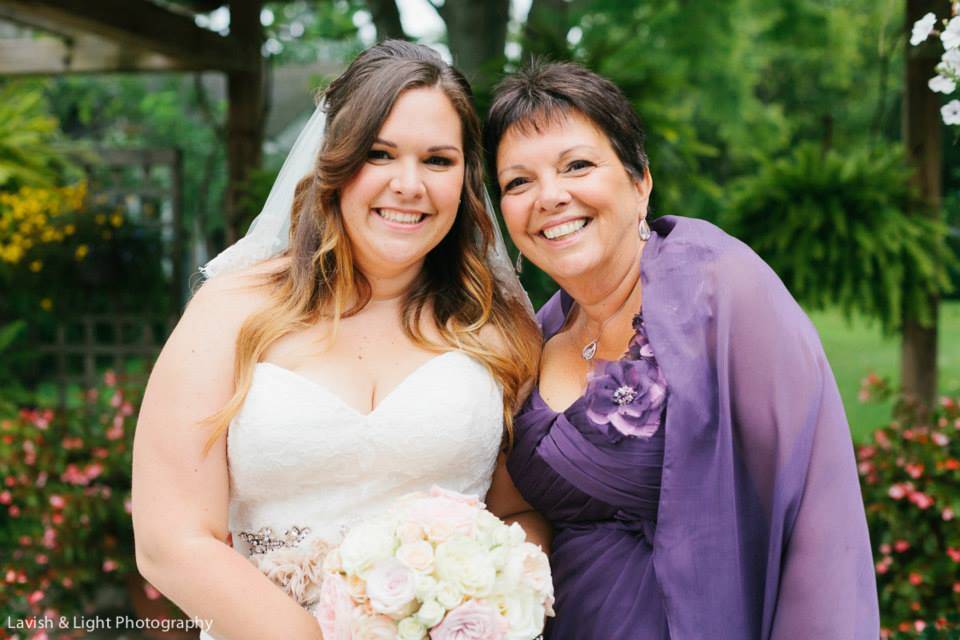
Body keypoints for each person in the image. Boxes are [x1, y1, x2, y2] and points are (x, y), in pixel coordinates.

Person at [131, 41, 545, 640]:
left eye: (437, 160)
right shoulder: (231, 310)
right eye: (380, 154)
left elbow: (521, 514)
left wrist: (488, 600)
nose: (409, 184)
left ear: (465, 177)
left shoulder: (499, 328)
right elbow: (171, 541)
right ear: (336, 161)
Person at [487, 61, 879, 639]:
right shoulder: (533, 337)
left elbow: (816, 508)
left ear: (640, 181)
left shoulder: (719, 288)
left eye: (577, 166)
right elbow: (518, 513)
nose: (549, 196)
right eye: (518, 182)